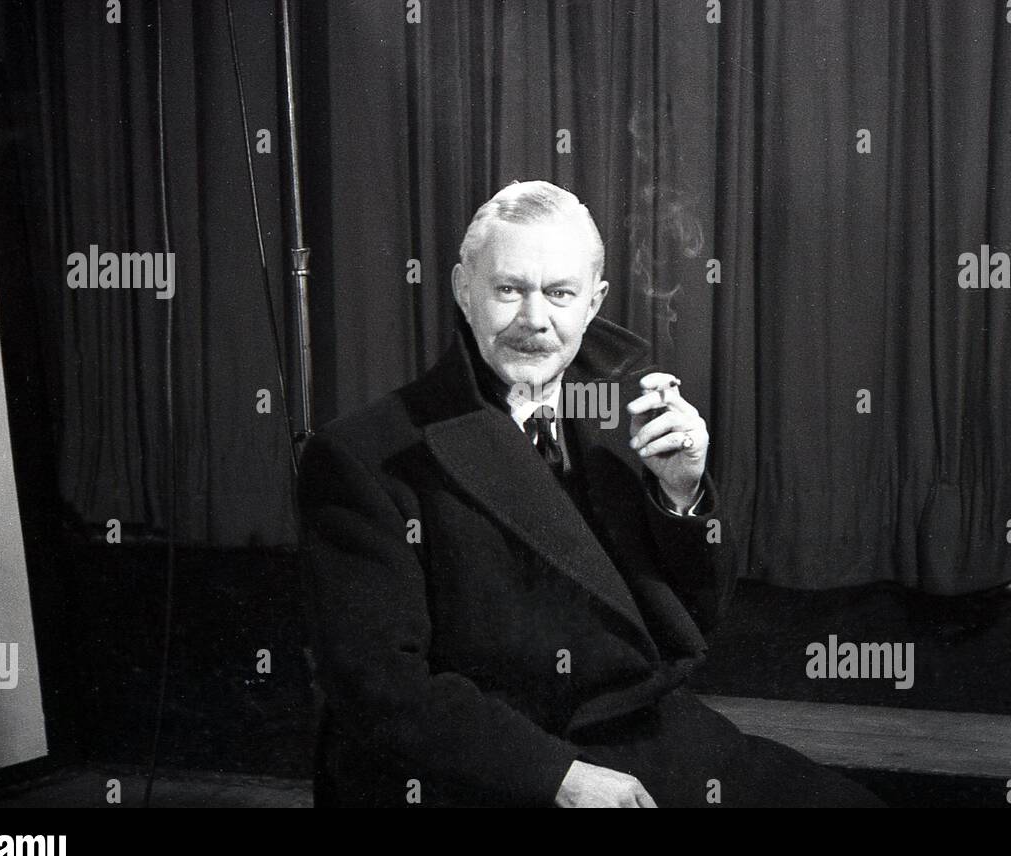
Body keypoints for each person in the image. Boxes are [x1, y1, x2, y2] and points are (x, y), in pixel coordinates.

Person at [297, 180, 881, 807]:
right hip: (486, 768)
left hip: (631, 727)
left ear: (593, 303)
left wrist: (681, 495)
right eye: (507, 290)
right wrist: (560, 779)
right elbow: (380, 687)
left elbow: (694, 619)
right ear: (463, 291)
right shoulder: (366, 454)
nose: (534, 320)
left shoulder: (624, 418)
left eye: (559, 294)